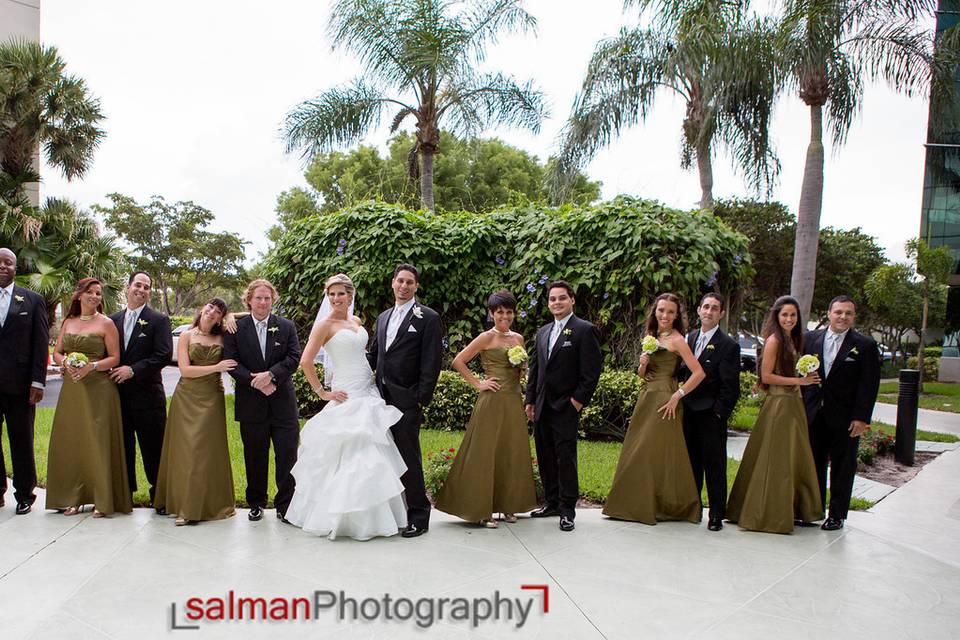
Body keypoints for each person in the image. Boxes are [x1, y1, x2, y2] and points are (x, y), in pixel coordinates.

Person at [285, 274, 408, 540]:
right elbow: (306, 362)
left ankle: (373, 518)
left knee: (373, 454)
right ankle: (344, 519)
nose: (336, 299)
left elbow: (361, 353)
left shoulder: (356, 321)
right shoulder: (324, 326)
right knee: (350, 453)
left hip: (368, 390)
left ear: (350, 296)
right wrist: (323, 392)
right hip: (346, 393)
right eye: (331, 294)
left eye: (341, 294)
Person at [436, 290, 539, 527]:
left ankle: (507, 505)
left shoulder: (519, 339)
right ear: (492, 314)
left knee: (510, 452)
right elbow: (458, 361)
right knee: (486, 453)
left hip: (513, 400)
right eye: (500, 312)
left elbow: (522, 369)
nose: (505, 316)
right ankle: (483, 510)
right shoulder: (485, 338)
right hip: (491, 401)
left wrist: (522, 370)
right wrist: (478, 384)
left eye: (509, 312)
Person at [603, 293, 704, 525]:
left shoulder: (678, 340)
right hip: (647, 396)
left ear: (677, 315)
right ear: (654, 312)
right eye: (661, 310)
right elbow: (642, 376)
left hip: (665, 400)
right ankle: (632, 504)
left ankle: (663, 506)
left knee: (655, 452)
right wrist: (642, 363)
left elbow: (699, 373)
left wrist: (677, 396)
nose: (665, 315)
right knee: (637, 449)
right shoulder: (652, 336)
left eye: (670, 312)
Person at [726, 296, 823, 534]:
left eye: (793, 315)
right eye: (784, 315)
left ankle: (795, 508)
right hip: (780, 404)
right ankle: (766, 513)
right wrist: (800, 381)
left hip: (793, 404)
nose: (789, 319)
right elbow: (767, 377)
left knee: (791, 456)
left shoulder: (793, 340)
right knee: (775, 458)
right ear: (776, 317)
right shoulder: (774, 341)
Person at [46, 278, 132, 516]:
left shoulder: (106, 324)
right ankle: (74, 497)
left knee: (97, 443)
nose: (95, 296)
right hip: (73, 390)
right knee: (75, 441)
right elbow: (57, 352)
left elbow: (115, 358)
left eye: (98, 293)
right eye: (90, 292)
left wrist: (91, 366)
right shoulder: (69, 321)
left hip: (99, 391)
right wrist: (67, 363)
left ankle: (101, 500)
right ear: (79, 295)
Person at [368, 264, 442, 538]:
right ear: (392, 283)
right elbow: (376, 355)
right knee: (385, 456)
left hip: (407, 400)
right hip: (379, 398)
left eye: (410, 282)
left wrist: (420, 399)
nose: (404, 286)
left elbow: (432, 361)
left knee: (408, 457)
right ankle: (394, 513)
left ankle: (419, 516)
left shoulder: (428, 318)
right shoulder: (383, 317)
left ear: (416, 287)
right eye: (400, 280)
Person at [524, 280, 602, 532]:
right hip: (542, 407)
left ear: (572, 300)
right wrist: (530, 400)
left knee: (565, 457)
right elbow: (535, 369)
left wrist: (577, 402)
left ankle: (568, 510)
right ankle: (552, 502)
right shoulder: (543, 332)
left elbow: (591, 372)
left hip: (566, 406)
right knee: (545, 455)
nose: (556, 303)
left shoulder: (584, 330)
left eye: (561, 298)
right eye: (552, 299)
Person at [223, 279, 301, 522]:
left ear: (273, 300)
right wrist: (254, 381)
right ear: (249, 300)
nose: (263, 302)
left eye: (267, 298)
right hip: (251, 403)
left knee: (287, 455)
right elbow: (231, 361)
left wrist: (271, 377)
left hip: (282, 403)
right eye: (258, 298)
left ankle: (285, 505)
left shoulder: (286, 326)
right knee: (254, 455)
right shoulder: (235, 328)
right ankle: (256, 503)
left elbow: (294, 357)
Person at [154, 298, 237, 526]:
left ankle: (205, 504)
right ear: (202, 309)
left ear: (220, 318)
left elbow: (249, 318)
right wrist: (217, 367)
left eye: (218, 311)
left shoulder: (223, 337)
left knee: (205, 451)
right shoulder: (187, 336)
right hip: (186, 397)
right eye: (210, 307)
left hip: (211, 398)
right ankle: (183, 505)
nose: (212, 312)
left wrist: (231, 316)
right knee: (186, 451)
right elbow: (185, 370)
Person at [802, 295, 881, 531]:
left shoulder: (864, 345)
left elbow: (869, 385)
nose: (842, 317)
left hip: (845, 418)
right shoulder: (810, 339)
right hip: (814, 413)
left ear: (853, 317)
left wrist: (861, 418)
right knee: (813, 463)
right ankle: (812, 510)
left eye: (848, 313)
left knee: (842, 466)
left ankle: (837, 515)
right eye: (838, 312)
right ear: (829, 314)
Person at [108, 272, 172, 507]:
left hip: (148, 397)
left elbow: (163, 355)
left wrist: (133, 370)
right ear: (128, 287)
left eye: (147, 287)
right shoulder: (112, 320)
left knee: (154, 449)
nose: (142, 289)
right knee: (123, 448)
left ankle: (160, 495)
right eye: (138, 285)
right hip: (118, 397)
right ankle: (124, 494)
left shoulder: (159, 320)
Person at [678, 293, 741, 531]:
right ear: (698, 310)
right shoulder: (690, 338)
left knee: (714, 465)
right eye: (706, 307)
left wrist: (718, 414)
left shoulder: (729, 345)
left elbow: (730, 387)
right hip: (689, 412)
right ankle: (693, 509)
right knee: (691, 463)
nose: (709, 311)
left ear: (721, 313)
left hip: (711, 414)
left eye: (715, 308)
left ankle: (716, 514)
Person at [0, 248, 48, 515]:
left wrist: (38, 382)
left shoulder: (31, 300)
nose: (3, 266)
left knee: (22, 440)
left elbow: (40, 344)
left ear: (15, 268)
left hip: (20, 386)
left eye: (8, 263)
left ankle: (24, 494)